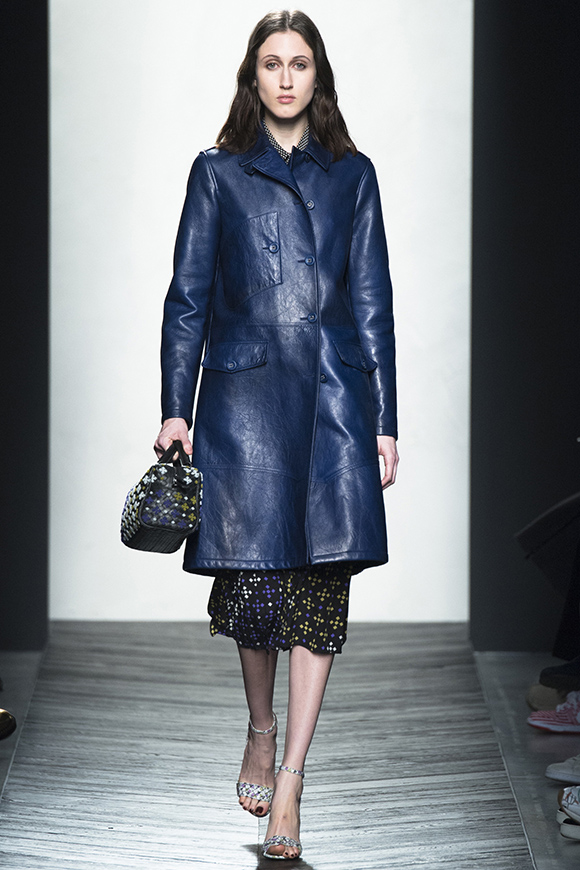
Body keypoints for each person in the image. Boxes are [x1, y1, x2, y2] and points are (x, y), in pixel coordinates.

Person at [154, 10, 398, 860]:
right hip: (246, 404)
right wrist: (176, 406)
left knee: (321, 594)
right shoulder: (217, 171)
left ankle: (291, 779)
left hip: (333, 401)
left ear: (317, 75)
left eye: (299, 63)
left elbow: (373, 301)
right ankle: (260, 726)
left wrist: (385, 420)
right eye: (271, 63)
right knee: (254, 594)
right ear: (251, 76)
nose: (286, 78)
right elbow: (187, 296)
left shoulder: (353, 174)